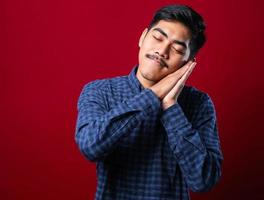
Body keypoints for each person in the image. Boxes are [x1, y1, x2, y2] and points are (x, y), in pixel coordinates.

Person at [75, 4, 223, 200]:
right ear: (142, 37)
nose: (162, 51)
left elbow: (204, 180)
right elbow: (90, 146)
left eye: (177, 48)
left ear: (188, 63)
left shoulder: (199, 103)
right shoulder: (100, 91)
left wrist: (171, 107)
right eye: (157, 38)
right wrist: (154, 95)